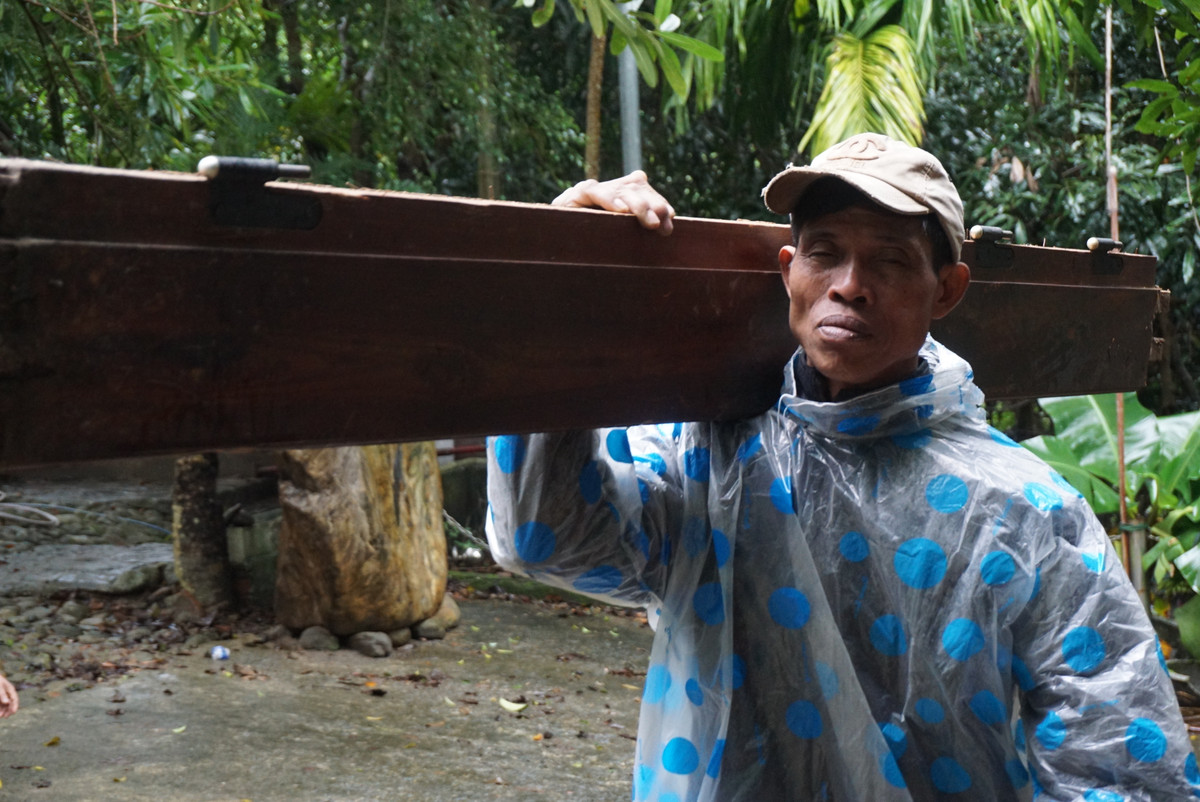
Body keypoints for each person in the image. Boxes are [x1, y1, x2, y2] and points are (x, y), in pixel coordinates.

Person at [486, 133, 1195, 800]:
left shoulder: (1023, 509)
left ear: (946, 289)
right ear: (789, 273)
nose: (850, 285)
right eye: (824, 252)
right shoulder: (714, 458)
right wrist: (561, 282)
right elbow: (550, 540)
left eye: (889, 260)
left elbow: (1118, 755)